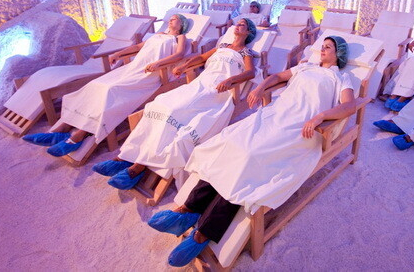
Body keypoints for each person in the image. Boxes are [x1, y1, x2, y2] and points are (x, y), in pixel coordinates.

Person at [146, 36, 355, 267]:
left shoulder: (341, 77)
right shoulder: (305, 66)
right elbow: (277, 77)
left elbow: (349, 106)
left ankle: (203, 233)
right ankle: (189, 209)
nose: (322, 49)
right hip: (276, 113)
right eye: (322, 46)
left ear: (339, 53)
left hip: (300, 126)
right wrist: (261, 86)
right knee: (229, 143)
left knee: (249, 157)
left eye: (328, 47)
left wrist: (320, 117)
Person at [91, 18, 258, 189]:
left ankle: (137, 167)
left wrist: (231, 80)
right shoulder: (222, 46)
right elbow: (201, 57)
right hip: (200, 83)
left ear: (248, 32)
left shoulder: (246, 52)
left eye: (242, 25)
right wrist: (184, 66)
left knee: (173, 111)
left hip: (217, 90)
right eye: (237, 24)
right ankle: (125, 156)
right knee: (158, 104)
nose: (237, 26)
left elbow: (250, 72)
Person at [22, 14, 191, 155]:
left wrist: (158, 63)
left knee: (110, 90)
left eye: (175, 19)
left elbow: (179, 54)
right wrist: (118, 53)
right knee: (95, 85)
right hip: (132, 68)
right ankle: (62, 128)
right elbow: (138, 46)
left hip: (150, 74)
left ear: (181, 25)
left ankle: (79, 135)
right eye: (170, 18)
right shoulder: (158, 34)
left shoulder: (180, 37)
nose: (171, 20)